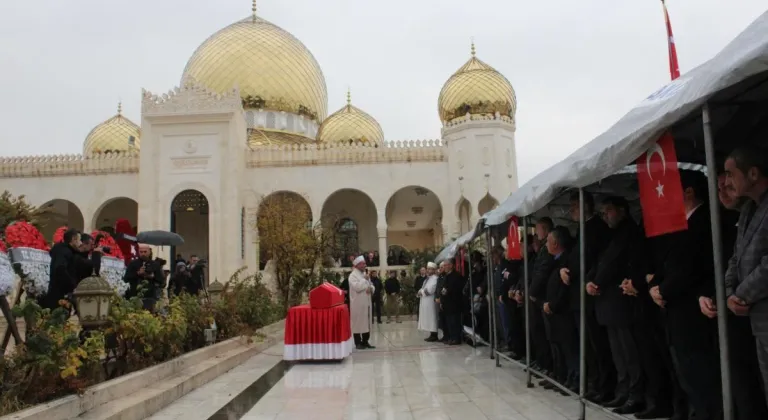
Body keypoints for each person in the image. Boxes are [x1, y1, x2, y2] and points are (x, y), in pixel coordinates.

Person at [649, 171, 722, 420]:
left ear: (688, 192)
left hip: (692, 314)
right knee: (686, 375)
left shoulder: (705, 220)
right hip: (675, 313)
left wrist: (663, 289)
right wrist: (654, 287)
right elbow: (667, 262)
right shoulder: (682, 224)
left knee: (701, 376)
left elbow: (691, 268)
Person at [699, 172, 768, 420]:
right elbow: (725, 264)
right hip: (731, 308)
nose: (724, 193)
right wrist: (724, 294)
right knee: (741, 378)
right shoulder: (725, 219)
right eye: (719, 189)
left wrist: (738, 294)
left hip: (753, 306)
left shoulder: (749, 215)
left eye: (728, 186)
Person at [587, 196, 644, 414]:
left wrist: (597, 281)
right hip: (609, 303)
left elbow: (613, 262)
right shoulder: (612, 235)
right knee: (619, 353)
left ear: (622, 210)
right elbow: (601, 261)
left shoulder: (629, 232)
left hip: (621, 302)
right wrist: (590, 281)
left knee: (629, 353)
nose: (605, 215)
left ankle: (634, 394)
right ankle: (623, 392)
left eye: (608, 211)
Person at [560, 191, 615, 403]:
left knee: (599, 345)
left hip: (591, 296)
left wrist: (571, 272)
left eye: (575, 206)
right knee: (589, 345)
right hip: (579, 296)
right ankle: (595, 383)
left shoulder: (597, 229)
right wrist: (564, 269)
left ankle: (605, 386)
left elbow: (591, 259)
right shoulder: (581, 230)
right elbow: (573, 257)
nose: (572, 210)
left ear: (586, 206)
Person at [723, 147, 768, 405]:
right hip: (758, 321)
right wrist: (730, 293)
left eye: (730, 174)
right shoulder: (748, 209)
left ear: (752, 173)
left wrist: (741, 294)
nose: (727, 181)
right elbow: (735, 258)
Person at [543, 226, 577, 392]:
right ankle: (562, 376)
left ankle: (573, 379)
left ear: (555, 242)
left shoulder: (566, 260)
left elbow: (564, 289)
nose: (546, 245)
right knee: (559, 347)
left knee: (569, 348)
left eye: (548, 241)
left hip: (563, 311)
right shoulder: (555, 261)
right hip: (554, 312)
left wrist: (553, 305)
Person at [44, 228, 82, 310]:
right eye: (79, 240)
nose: (81, 243)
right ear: (73, 240)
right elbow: (60, 269)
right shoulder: (64, 252)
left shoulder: (63, 250)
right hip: (60, 293)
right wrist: (72, 285)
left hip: (60, 291)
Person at [123, 244, 165, 311]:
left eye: (145, 252)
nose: (143, 254)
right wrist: (138, 273)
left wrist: (152, 277)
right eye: (141, 252)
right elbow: (126, 279)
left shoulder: (155, 264)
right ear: (138, 252)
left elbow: (161, 281)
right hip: (135, 295)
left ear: (149, 252)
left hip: (150, 296)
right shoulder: (133, 264)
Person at [348, 256, 375, 349]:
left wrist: (371, 289)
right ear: (358, 265)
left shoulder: (364, 274)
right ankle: (358, 343)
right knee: (358, 323)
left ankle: (365, 341)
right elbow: (357, 287)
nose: (365, 265)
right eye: (363, 263)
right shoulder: (352, 276)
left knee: (366, 323)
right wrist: (365, 280)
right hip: (357, 304)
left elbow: (371, 285)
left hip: (366, 302)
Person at [440, 259, 465, 345]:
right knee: (449, 321)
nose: (445, 267)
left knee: (455, 321)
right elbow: (443, 288)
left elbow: (458, 289)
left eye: (446, 265)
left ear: (451, 265)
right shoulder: (446, 276)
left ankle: (456, 338)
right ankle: (451, 337)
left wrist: (448, 291)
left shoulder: (457, 276)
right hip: (447, 303)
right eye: (444, 265)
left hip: (454, 303)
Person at [418, 262, 440, 341]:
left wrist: (421, 292)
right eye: (428, 269)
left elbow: (431, 290)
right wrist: (420, 291)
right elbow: (422, 288)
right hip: (426, 301)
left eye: (430, 269)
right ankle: (432, 334)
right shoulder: (427, 279)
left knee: (432, 318)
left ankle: (434, 335)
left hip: (431, 302)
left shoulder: (435, 279)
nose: (428, 270)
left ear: (434, 270)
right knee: (429, 318)